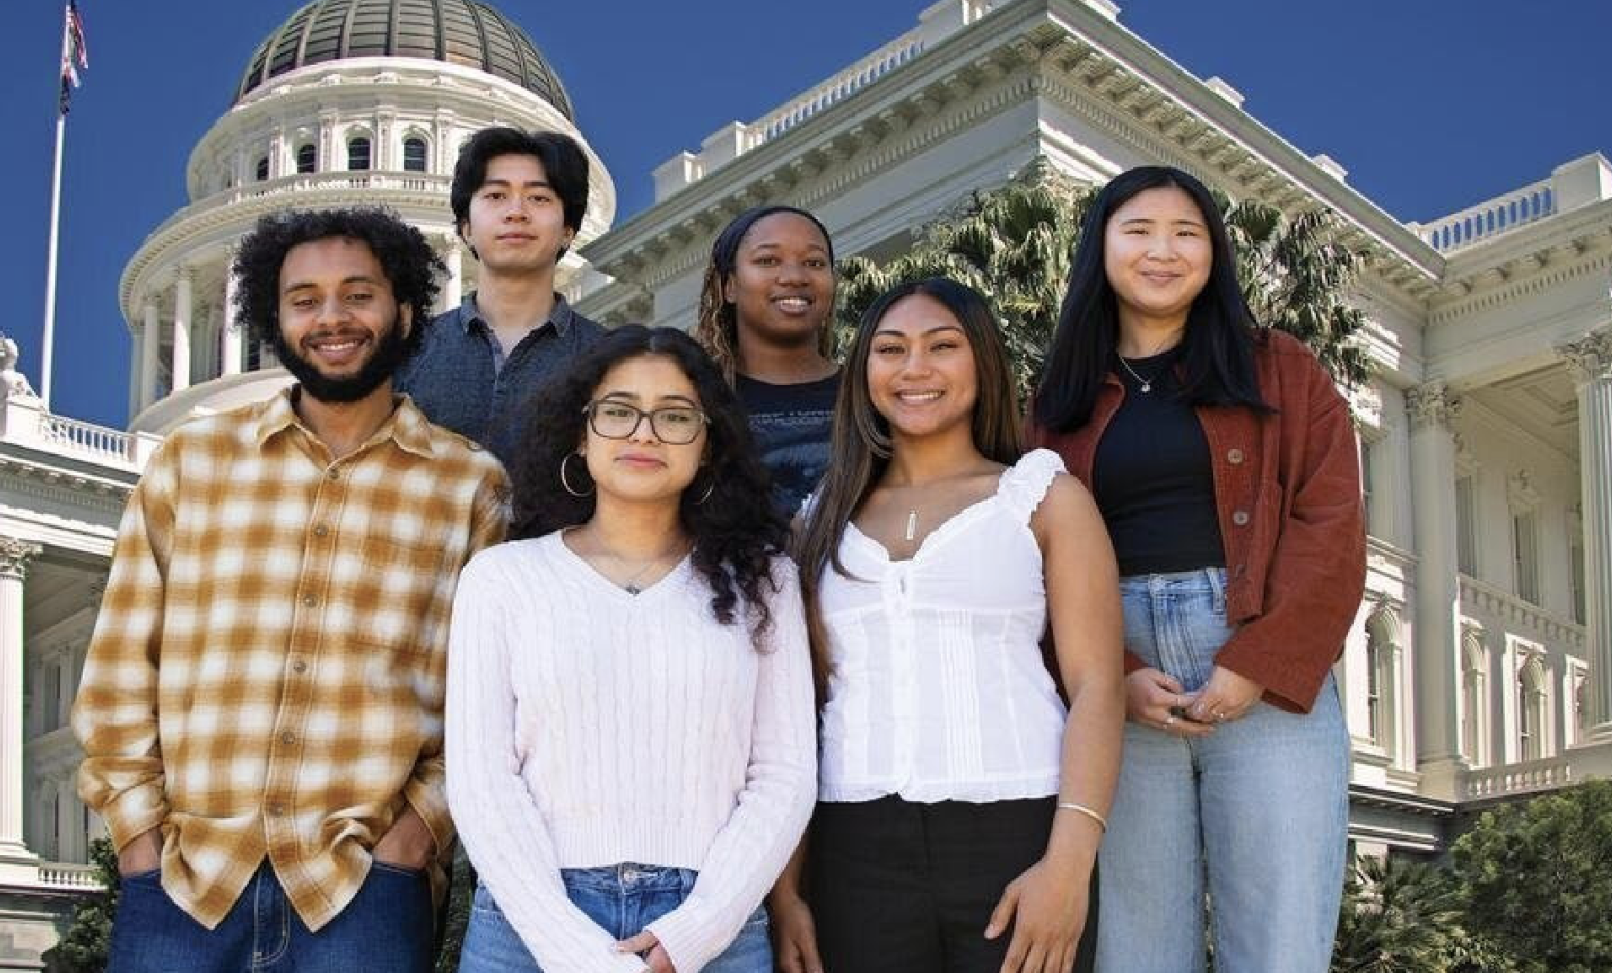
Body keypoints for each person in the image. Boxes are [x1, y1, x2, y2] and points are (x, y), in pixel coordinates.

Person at [72, 208, 509, 973]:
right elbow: (119, 667)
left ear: (405, 308)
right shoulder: (191, 462)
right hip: (186, 883)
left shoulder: (467, 484)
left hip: (363, 892)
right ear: (272, 318)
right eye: (304, 299)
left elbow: (485, 695)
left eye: (357, 294)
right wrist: (138, 840)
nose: (332, 318)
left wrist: (415, 839)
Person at [1025, 165, 1365, 972]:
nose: (1163, 251)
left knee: (1279, 943)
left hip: (1264, 664)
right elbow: (1030, 560)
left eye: (1187, 233)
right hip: (1115, 673)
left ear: (1213, 252)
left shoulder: (1279, 367)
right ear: (1100, 248)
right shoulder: (1058, 398)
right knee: (1135, 948)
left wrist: (1255, 665)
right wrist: (1115, 673)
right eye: (1138, 231)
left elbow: (1332, 526)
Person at [775, 277, 1124, 973]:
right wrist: (787, 894)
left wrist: (1068, 865)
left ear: (982, 361)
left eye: (943, 346)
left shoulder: (1041, 496)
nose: (915, 370)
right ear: (863, 372)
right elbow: (797, 713)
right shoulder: (817, 520)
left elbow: (1098, 687)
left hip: (1015, 834)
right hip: (853, 850)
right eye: (890, 349)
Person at [447, 326, 817, 973]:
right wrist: (572, 948)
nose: (644, 433)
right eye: (619, 411)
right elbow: (482, 781)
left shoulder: (764, 580)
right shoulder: (502, 578)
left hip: (714, 928)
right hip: (527, 928)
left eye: (674, 416)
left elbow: (783, 775)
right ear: (580, 434)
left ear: (708, 444)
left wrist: (696, 930)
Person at [398, 125, 605, 472]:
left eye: (539, 198)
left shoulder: (610, 358)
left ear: (568, 230)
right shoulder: (406, 356)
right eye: (495, 195)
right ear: (465, 228)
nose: (516, 212)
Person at [693, 206, 839, 518]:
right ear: (728, 286)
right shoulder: (696, 404)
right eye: (768, 261)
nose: (794, 277)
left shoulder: (871, 394)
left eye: (814, 263)